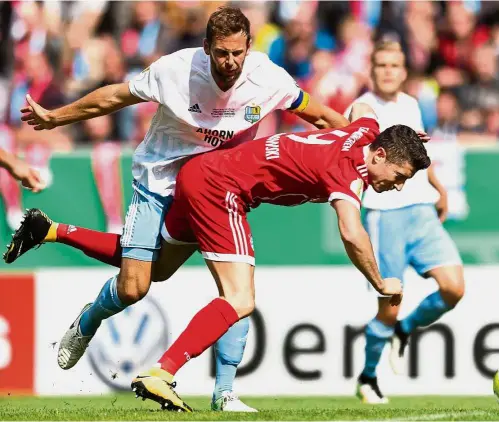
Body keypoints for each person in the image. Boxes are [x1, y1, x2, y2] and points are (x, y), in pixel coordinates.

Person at [6, 7, 350, 412]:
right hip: (159, 178)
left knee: (235, 289)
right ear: (206, 48)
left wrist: (371, 143)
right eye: (221, 53)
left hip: (216, 189)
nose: (230, 63)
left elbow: (323, 117)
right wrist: (56, 118)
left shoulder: (269, 78)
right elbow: (117, 95)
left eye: (238, 53)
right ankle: (88, 319)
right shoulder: (176, 70)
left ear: (249, 47)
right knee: (139, 283)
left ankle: (224, 393)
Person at [128, 103, 431, 412]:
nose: (399, 186)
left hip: (207, 174)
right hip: (221, 188)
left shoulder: (365, 133)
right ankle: (163, 373)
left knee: (149, 267)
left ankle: (222, 393)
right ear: (379, 156)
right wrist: (380, 282)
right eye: (399, 175)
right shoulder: (348, 173)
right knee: (240, 298)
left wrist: (397, 139)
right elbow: (352, 233)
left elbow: (363, 107)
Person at [345, 40, 465, 405]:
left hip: (422, 211)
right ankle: (368, 378)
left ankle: (406, 330)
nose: (387, 71)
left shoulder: (411, 105)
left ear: (404, 70)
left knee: (454, 288)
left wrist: (438, 188)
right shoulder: (363, 107)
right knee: (389, 303)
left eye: (394, 65)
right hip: (386, 215)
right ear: (372, 68)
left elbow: (416, 158)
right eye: (381, 64)